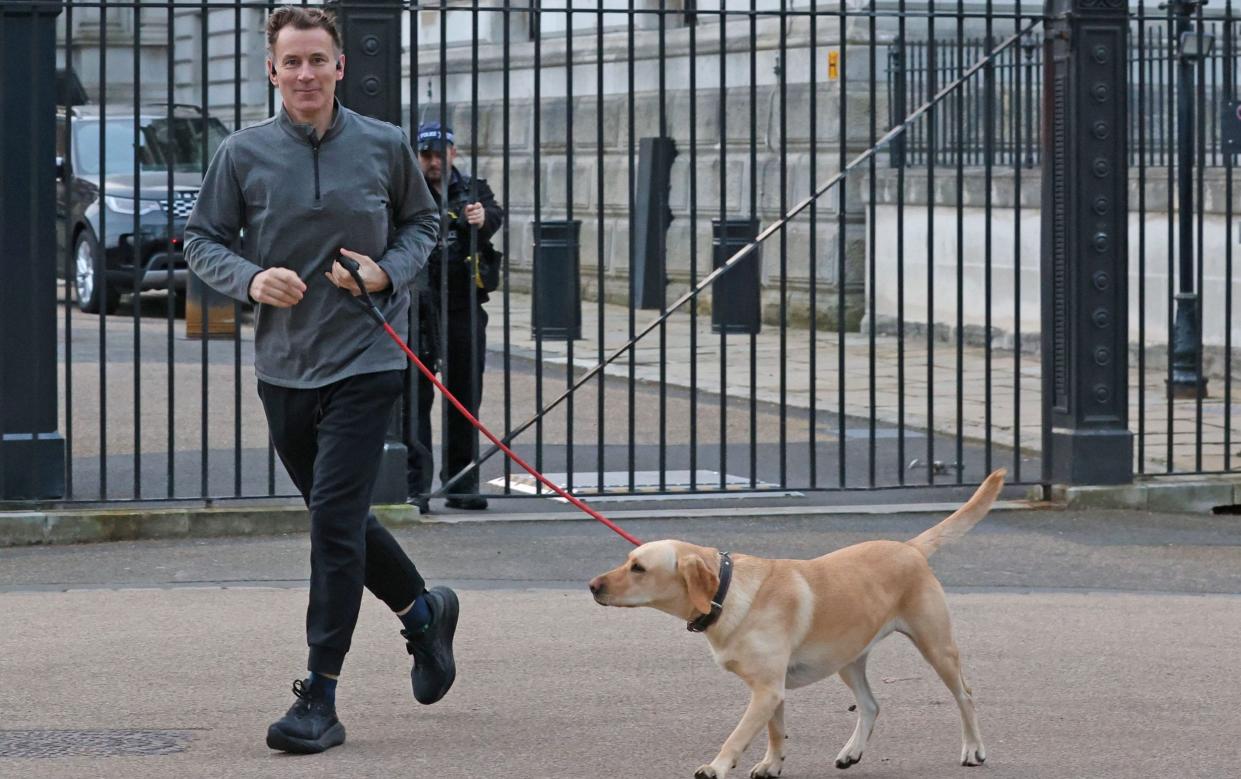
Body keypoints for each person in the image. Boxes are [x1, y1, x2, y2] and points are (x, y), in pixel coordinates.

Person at [184, 5, 458, 755]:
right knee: (340, 522)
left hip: (367, 361)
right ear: (272, 71)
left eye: (317, 60)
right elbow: (203, 238)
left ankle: (319, 696)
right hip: (283, 369)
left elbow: (423, 223)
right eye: (291, 62)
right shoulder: (241, 153)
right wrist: (248, 278)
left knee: (332, 526)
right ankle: (425, 612)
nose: (305, 73)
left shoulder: (384, 144)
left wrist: (385, 270)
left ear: (340, 67)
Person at [406, 121, 504, 512]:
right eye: (426, 154)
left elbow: (494, 216)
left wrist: (481, 218)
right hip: (419, 306)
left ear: (453, 153)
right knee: (414, 399)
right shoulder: (408, 188)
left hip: (463, 304)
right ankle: (416, 486)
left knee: (464, 396)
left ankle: (461, 484)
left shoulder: (473, 190)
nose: (433, 162)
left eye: (439, 153)